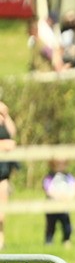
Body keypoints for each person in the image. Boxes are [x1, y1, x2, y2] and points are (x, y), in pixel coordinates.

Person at [43, 159, 75, 247]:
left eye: (62, 164)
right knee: (51, 226)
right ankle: (49, 242)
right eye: (57, 164)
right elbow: (48, 189)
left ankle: (66, 240)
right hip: (52, 207)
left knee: (67, 226)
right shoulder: (49, 177)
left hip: (64, 207)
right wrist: (58, 196)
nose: (60, 166)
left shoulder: (68, 177)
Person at [0, 99, 16, 250]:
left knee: (2, 210)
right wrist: (3, 145)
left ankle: (1, 241)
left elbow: (12, 132)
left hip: (3, 170)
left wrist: (6, 114)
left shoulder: (3, 118)